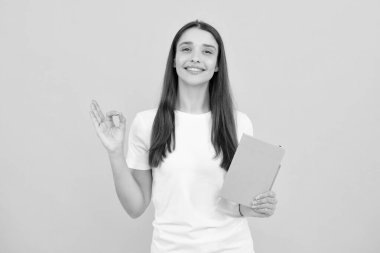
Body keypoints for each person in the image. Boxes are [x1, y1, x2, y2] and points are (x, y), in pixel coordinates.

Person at [89, 20, 278, 253]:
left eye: (207, 52)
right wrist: (115, 153)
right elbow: (135, 207)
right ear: (174, 60)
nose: (195, 57)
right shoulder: (146, 123)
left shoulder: (239, 123)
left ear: (217, 65)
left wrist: (257, 206)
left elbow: (233, 206)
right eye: (186, 49)